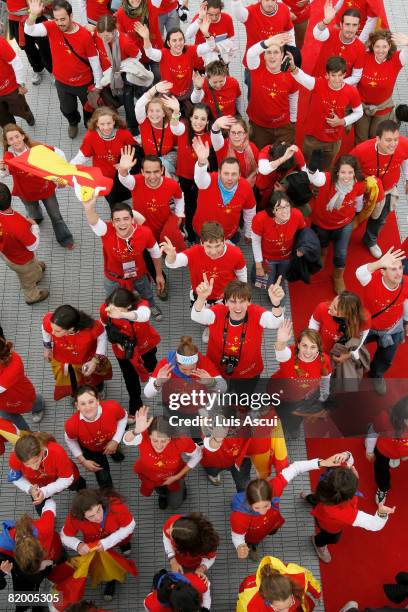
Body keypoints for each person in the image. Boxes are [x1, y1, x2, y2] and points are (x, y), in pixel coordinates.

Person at [230, 452, 345, 561]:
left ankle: (256, 544)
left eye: (266, 505)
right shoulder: (239, 517)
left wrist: (322, 463)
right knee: (253, 539)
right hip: (252, 533)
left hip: (271, 523)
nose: (263, 512)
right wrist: (240, 545)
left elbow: (296, 468)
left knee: (267, 533)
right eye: (257, 508)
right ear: (249, 502)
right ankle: (253, 545)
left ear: (271, 494)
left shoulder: (274, 486)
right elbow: (237, 536)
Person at [25, 0, 103, 139]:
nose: (60, 23)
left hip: (84, 83)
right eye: (56, 19)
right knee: (67, 109)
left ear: (71, 16)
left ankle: (89, 124)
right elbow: (29, 30)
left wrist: (98, 85)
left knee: (89, 109)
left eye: (63, 19)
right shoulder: (51, 27)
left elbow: (94, 61)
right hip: (62, 82)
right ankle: (73, 122)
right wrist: (33, 15)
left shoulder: (85, 35)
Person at [300, 451, 396, 564]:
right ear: (349, 495)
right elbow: (374, 525)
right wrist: (381, 513)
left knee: (316, 498)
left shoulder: (338, 474)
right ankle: (318, 542)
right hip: (329, 525)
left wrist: (346, 456)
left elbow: (349, 462)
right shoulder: (344, 512)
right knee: (333, 538)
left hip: (322, 499)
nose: (352, 470)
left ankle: (308, 497)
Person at [81, 197, 164, 321]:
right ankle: (116, 316)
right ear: (112, 222)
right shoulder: (106, 230)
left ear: (132, 220)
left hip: (138, 274)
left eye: (126, 219)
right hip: (113, 278)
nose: (122, 223)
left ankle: (151, 306)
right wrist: (89, 207)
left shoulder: (144, 232)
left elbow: (155, 253)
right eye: (117, 220)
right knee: (112, 299)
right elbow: (94, 221)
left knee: (147, 293)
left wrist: (159, 274)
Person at [118, 151, 186, 298]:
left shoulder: (171, 184)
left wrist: (180, 214)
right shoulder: (135, 182)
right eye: (148, 172)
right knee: (149, 259)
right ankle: (160, 280)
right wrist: (123, 169)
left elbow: (180, 198)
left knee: (166, 248)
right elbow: (123, 178)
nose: (153, 176)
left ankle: (172, 258)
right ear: (141, 172)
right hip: (142, 230)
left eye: (156, 171)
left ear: (162, 170)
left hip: (163, 227)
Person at [191, 279, 284, 382]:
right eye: (233, 301)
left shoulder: (257, 313)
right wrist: (201, 298)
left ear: (249, 302)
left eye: (242, 301)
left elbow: (276, 322)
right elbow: (196, 316)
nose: (238, 307)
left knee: (243, 396)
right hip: (216, 368)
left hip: (248, 372)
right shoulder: (217, 312)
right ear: (226, 302)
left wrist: (276, 304)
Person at [2, 123, 74, 249]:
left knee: (56, 216)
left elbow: (59, 153)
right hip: (26, 194)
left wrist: (62, 172)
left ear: (23, 136)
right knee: (33, 213)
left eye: (17, 136)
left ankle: (65, 238)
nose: (15, 141)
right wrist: (2, 168)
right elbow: (4, 173)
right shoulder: (9, 157)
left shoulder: (37, 148)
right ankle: (38, 218)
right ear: (7, 142)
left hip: (46, 190)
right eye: (11, 139)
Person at [306, 154, 370, 294]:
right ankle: (323, 253)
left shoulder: (359, 183)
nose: (346, 177)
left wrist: (358, 214)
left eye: (350, 172)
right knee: (322, 242)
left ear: (355, 172)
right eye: (343, 172)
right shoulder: (327, 179)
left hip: (344, 223)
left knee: (341, 253)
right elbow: (313, 177)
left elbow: (358, 200)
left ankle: (338, 276)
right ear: (336, 172)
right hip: (321, 222)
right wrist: (311, 168)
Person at [288, 55, 363, 170]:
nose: (337, 79)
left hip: (334, 140)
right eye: (333, 75)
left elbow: (359, 112)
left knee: (325, 170)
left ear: (344, 75)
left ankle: (317, 188)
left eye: (340, 75)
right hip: (313, 138)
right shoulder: (318, 84)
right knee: (304, 166)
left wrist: (342, 121)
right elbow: (302, 77)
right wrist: (293, 67)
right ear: (327, 75)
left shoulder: (352, 92)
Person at [60, 488, 136, 601]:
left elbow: (130, 525)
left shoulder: (115, 507)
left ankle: (125, 545)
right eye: (91, 516)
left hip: (118, 537)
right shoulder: (75, 518)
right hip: (96, 547)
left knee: (124, 541)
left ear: (101, 503)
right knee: (106, 565)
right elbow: (64, 535)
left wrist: (107, 543)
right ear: (82, 516)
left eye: (99, 510)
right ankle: (111, 579)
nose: (98, 517)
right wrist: (78, 545)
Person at [123, 406, 202, 509]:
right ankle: (163, 495)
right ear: (149, 436)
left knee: (175, 504)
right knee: (160, 490)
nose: (159, 445)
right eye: (155, 440)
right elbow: (126, 441)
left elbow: (197, 456)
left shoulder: (182, 441)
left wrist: (177, 477)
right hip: (151, 476)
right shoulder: (143, 435)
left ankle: (180, 490)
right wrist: (135, 432)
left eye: (164, 440)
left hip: (174, 475)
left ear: (171, 437)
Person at [100, 287, 160, 424]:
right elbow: (105, 325)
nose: (113, 311)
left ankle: (154, 378)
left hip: (145, 346)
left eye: (118, 309)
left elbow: (144, 315)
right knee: (130, 378)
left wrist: (122, 315)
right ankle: (135, 403)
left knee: (151, 365)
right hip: (123, 352)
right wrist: (115, 341)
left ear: (128, 306)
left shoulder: (141, 306)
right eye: (111, 306)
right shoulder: (105, 309)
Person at [350, 120, 408, 259]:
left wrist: (407, 178)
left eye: (395, 139)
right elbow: (348, 167)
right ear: (377, 138)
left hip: (388, 191)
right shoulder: (361, 150)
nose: (393, 144)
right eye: (388, 140)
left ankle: (370, 240)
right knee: (353, 214)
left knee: (380, 219)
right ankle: (343, 235)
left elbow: (406, 158)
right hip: (363, 192)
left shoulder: (404, 144)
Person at [355, 247, 408, 395]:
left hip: (392, 328)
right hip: (367, 327)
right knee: (354, 351)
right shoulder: (372, 281)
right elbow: (359, 273)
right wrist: (378, 263)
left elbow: (406, 301)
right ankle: (354, 374)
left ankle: (376, 375)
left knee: (386, 357)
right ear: (382, 271)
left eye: (400, 268)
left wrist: (406, 321)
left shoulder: (406, 282)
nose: (398, 273)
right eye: (393, 269)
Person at [162, 220, 247, 306]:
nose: (213, 252)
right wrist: (171, 256)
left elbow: (241, 273)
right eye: (209, 246)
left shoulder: (236, 253)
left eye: (218, 246)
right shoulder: (194, 252)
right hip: (200, 295)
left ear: (224, 241)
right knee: (199, 316)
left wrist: (242, 293)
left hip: (225, 296)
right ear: (202, 243)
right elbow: (172, 264)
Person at [70, 107, 140, 210]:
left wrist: (124, 166)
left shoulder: (123, 134)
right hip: (105, 177)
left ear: (114, 122)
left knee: (127, 193)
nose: (106, 127)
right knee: (113, 202)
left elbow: (135, 151)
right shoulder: (90, 137)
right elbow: (82, 156)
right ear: (96, 123)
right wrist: (68, 169)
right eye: (102, 124)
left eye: (109, 123)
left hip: (122, 174)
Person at [0, 500, 63, 611]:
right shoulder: (3, 546)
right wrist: (2, 572)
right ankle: (33, 602)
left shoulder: (45, 528)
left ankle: (33, 601)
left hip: (54, 549)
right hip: (29, 570)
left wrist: (42, 494)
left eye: (40, 565)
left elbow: (50, 502)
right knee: (27, 589)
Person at [272, 320, 331, 437]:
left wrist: (324, 394)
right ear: (298, 344)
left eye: (313, 347)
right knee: (279, 412)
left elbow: (326, 377)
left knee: (296, 417)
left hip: (302, 398)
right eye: (304, 345)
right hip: (280, 393)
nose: (308, 351)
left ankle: (293, 428)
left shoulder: (324, 360)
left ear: (318, 348)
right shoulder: (289, 354)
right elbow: (280, 352)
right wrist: (280, 341)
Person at [192, 136, 256, 243]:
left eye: (234, 174)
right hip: (203, 235)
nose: (230, 178)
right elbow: (199, 179)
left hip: (229, 236)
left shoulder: (245, 187)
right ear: (219, 172)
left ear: (240, 175)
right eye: (226, 173)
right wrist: (202, 162)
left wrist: (249, 232)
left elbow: (249, 211)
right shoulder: (208, 180)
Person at [144, 335, 227, 417]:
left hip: (202, 408)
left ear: (197, 361)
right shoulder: (165, 366)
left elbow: (224, 388)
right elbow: (147, 393)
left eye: (192, 369)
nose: (188, 373)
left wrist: (211, 382)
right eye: (184, 369)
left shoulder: (204, 362)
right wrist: (158, 382)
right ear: (176, 360)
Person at [42, 304, 112, 400]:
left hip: (88, 361)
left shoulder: (92, 328)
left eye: (57, 331)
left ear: (71, 329)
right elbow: (44, 327)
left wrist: (95, 361)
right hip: (64, 361)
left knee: (95, 380)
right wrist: (47, 347)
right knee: (72, 383)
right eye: (52, 328)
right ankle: (77, 395)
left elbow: (102, 336)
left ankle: (98, 391)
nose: (52, 333)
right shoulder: (52, 322)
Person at [64, 385, 127, 490]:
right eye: (83, 404)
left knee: (114, 450)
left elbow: (123, 417)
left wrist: (115, 441)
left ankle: (115, 452)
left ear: (98, 400)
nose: (88, 407)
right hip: (91, 451)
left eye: (91, 401)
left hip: (111, 440)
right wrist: (83, 461)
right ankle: (108, 493)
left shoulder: (112, 407)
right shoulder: (71, 424)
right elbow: (70, 440)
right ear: (77, 406)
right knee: (103, 477)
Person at [93, 15, 147, 136]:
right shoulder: (98, 36)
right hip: (109, 74)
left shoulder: (125, 41)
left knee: (128, 104)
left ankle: (133, 129)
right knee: (116, 97)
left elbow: (138, 55)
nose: (103, 39)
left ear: (114, 31)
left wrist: (124, 66)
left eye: (107, 36)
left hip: (124, 74)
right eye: (101, 35)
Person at [8, 432, 86, 515]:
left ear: (42, 451)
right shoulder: (14, 458)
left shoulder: (57, 452)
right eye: (27, 464)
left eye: (36, 461)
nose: (34, 467)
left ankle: (83, 494)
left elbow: (67, 478)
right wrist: (30, 489)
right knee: (41, 509)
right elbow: (16, 478)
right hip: (37, 486)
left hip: (63, 475)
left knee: (78, 484)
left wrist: (45, 492)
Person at [140, 26, 217, 110]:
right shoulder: (163, 54)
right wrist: (146, 38)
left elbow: (210, 47)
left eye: (180, 39)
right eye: (174, 40)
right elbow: (149, 53)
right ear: (168, 43)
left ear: (184, 41)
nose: (178, 43)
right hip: (168, 94)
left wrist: (206, 34)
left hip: (188, 93)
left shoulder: (190, 51)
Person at [231, 0, 295, 98]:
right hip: (255, 66)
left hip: (276, 66)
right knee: (255, 99)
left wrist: (292, 53)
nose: (269, 4)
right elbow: (239, 14)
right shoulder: (250, 11)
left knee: (275, 99)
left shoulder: (284, 9)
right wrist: (236, 2)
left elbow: (289, 33)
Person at [353, 30, 408, 143]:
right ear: (372, 46)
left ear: (390, 47)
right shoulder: (364, 56)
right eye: (377, 46)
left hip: (383, 108)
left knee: (377, 137)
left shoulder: (396, 59)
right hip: (362, 106)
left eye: (384, 46)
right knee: (361, 138)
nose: (381, 50)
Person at [246, 33, 299, 149]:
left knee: (284, 160)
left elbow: (293, 98)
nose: (272, 56)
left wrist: (293, 122)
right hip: (259, 128)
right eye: (268, 52)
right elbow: (250, 53)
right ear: (263, 56)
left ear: (282, 55)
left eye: (276, 52)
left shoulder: (292, 74)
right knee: (261, 159)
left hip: (284, 128)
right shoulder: (256, 69)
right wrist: (268, 42)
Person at [0, 183, 48, 305]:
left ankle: (36, 271)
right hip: (22, 261)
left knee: (32, 269)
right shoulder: (18, 224)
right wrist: (35, 226)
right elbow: (33, 245)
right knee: (27, 280)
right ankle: (32, 297)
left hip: (6, 252)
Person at [172, 102, 213, 244]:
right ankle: (190, 232)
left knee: (202, 206)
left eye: (203, 119)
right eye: (195, 117)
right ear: (190, 118)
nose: (198, 122)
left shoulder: (211, 136)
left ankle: (203, 231)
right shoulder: (183, 128)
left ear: (208, 121)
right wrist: (176, 111)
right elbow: (175, 126)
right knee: (189, 207)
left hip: (202, 179)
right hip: (185, 177)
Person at [251, 191, 306, 290]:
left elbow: (303, 233)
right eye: (279, 208)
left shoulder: (297, 215)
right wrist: (259, 264)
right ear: (272, 210)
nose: (285, 211)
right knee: (263, 285)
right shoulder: (260, 219)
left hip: (287, 257)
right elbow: (255, 242)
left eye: (287, 206)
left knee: (280, 279)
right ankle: (255, 273)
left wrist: (302, 247)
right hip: (267, 259)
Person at [134, 80, 184, 177]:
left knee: (159, 164)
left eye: (158, 111)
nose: (154, 114)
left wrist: (176, 111)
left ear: (164, 113)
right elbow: (139, 106)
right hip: (149, 161)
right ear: (147, 114)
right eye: (151, 111)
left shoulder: (171, 126)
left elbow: (178, 131)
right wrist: (155, 89)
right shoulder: (144, 122)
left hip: (168, 159)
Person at [236, 555, 321, 611]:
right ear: (268, 601)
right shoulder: (249, 603)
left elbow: (310, 581)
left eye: (290, 602)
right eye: (280, 610)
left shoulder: (298, 575)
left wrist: (317, 594)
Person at [365, 395, 408, 505]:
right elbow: (373, 432)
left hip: (402, 451)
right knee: (381, 470)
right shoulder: (385, 418)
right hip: (384, 451)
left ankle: (396, 457)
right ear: (402, 417)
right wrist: (369, 451)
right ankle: (382, 488)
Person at [309, 291, 371, 361]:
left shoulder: (364, 319)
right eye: (333, 301)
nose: (330, 307)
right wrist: (312, 342)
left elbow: (363, 335)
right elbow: (314, 322)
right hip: (322, 347)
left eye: (335, 308)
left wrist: (351, 354)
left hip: (343, 351)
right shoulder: (322, 307)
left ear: (347, 314)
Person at [312, 2, 366, 82]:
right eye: (347, 24)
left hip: (340, 87)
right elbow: (317, 34)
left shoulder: (361, 48)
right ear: (341, 25)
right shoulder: (331, 33)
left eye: (354, 25)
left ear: (358, 27)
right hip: (320, 80)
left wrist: (337, 83)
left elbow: (356, 76)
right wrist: (325, 21)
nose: (350, 29)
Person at [0, 338, 45, 429]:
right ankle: (26, 436)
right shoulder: (8, 355)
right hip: (4, 401)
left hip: (19, 394)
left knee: (33, 401)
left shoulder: (14, 366)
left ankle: (38, 409)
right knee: (12, 419)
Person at [115, 0, 162, 85]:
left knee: (159, 76)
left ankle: (157, 95)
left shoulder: (152, 4)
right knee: (142, 85)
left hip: (154, 51)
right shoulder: (120, 14)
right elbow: (122, 39)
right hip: (137, 56)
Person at [6, 0, 52, 85]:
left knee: (45, 46)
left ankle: (52, 70)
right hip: (16, 18)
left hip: (38, 15)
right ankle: (38, 68)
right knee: (28, 48)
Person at [162, 513, 219, 580]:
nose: (167, 531)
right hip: (179, 559)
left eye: (171, 536)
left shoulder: (205, 548)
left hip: (194, 563)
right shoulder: (174, 521)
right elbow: (166, 537)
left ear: (184, 547)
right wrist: (172, 560)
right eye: (171, 527)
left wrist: (201, 569)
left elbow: (210, 559)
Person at [255, 142, 307, 211]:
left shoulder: (295, 152)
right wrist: (284, 158)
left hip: (283, 189)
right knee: (259, 208)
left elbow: (305, 177)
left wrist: (286, 190)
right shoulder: (266, 151)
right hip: (263, 187)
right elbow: (263, 170)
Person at [201, 424, 252, 492]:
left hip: (240, 458)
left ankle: (242, 499)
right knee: (212, 469)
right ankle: (213, 474)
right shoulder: (209, 421)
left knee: (243, 486)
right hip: (216, 457)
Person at [210, 116, 259, 186]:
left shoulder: (252, 147)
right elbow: (215, 135)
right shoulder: (222, 147)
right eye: (233, 132)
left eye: (239, 132)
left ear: (245, 134)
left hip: (249, 188)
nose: (236, 136)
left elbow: (258, 168)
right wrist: (216, 125)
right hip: (227, 188)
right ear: (228, 133)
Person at [185, 0, 235, 66]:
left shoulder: (227, 18)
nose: (214, 18)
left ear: (221, 10)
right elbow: (188, 35)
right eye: (210, 15)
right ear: (205, 11)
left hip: (220, 64)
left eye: (217, 14)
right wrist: (200, 19)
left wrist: (220, 48)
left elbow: (231, 41)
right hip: (200, 63)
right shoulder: (200, 18)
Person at [0, 35, 35, 128]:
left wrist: (21, 84)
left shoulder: (0, 43)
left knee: (21, 109)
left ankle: (29, 117)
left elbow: (16, 62)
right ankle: (11, 131)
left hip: (11, 88)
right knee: (3, 120)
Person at [144, 568, 211, 611]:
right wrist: (206, 606)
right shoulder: (198, 583)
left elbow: (146, 603)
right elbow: (206, 584)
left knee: (158, 578)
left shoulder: (155, 605)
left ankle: (160, 576)